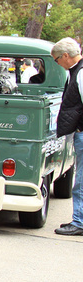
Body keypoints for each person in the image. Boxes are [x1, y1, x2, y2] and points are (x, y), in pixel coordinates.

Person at [52, 38, 83, 236]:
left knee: (80, 181)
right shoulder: (76, 72)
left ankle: (79, 221)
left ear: (65, 56)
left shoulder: (80, 73)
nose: (58, 64)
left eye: (56, 60)